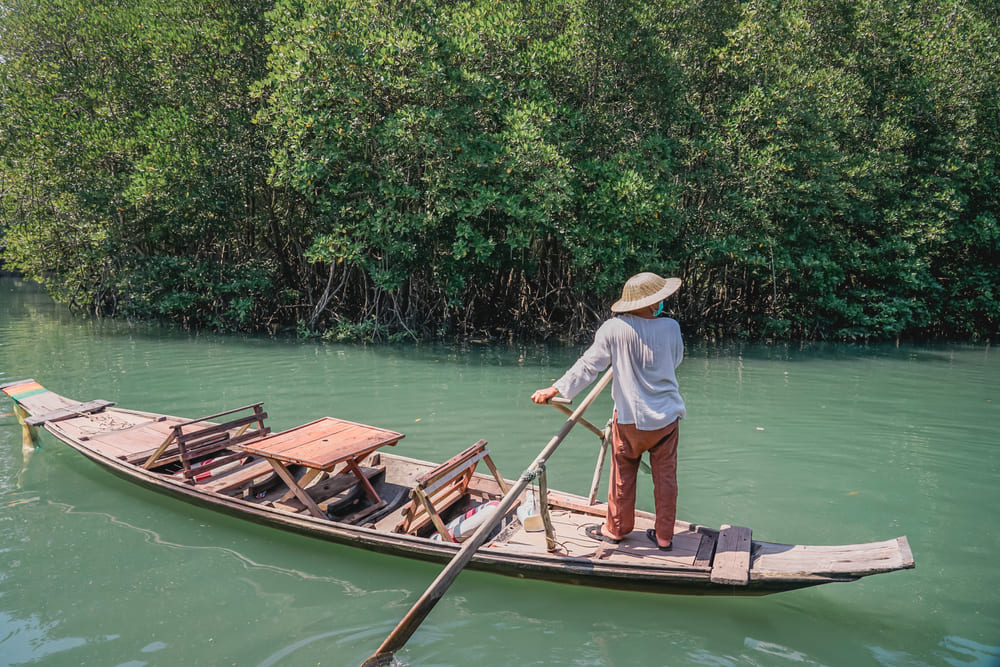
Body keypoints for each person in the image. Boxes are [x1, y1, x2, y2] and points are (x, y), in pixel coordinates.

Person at [531, 272, 685, 550]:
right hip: (666, 419)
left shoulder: (613, 329)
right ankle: (664, 535)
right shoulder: (671, 327)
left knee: (623, 474)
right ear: (653, 303)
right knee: (666, 478)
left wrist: (555, 390)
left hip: (630, 420)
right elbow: (674, 361)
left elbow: (589, 366)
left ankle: (616, 528)